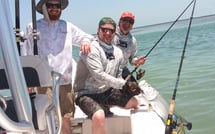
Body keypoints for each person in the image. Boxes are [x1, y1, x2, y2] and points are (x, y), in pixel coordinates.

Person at [21, 0, 94, 133]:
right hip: (44, 82)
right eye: (50, 5)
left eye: (57, 6)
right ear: (43, 7)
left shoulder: (67, 26)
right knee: (48, 117)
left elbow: (87, 37)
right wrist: (27, 81)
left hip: (65, 81)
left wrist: (85, 42)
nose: (54, 8)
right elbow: (26, 54)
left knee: (66, 117)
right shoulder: (33, 27)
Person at [73, 17, 140, 134]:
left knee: (135, 103)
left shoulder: (118, 53)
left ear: (115, 33)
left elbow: (118, 76)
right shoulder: (91, 48)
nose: (107, 33)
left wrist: (128, 87)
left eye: (111, 31)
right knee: (99, 116)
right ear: (98, 30)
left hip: (107, 91)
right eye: (104, 30)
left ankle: (105, 105)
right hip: (86, 94)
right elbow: (98, 75)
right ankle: (101, 108)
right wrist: (123, 84)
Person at [113, 11, 146, 81]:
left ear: (132, 26)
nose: (127, 23)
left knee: (135, 89)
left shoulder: (132, 40)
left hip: (123, 70)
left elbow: (132, 59)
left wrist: (137, 61)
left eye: (131, 22)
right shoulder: (110, 33)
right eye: (125, 20)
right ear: (119, 22)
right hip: (109, 71)